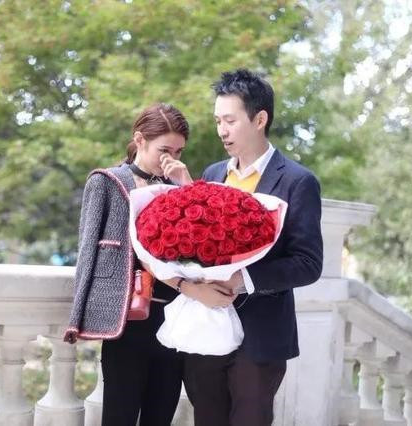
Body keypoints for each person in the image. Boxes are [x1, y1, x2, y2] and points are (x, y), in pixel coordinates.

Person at [62, 103, 234, 426]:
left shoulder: (178, 188)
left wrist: (186, 184)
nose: (171, 158)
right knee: (119, 415)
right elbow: (87, 251)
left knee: (161, 415)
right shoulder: (106, 181)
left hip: (173, 320)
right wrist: (76, 319)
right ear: (140, 140)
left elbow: (208, 244)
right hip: (127, 320)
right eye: (164, 150)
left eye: (179, 151)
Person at [182, 69, 324, 426]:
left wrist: (242, 279)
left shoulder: (298, 181)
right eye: (218, 121)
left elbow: (308, 263)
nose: (222, 130)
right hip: (206, 329)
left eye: (230, 120)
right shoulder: (213, 174)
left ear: (260, 119)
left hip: (260, 337)